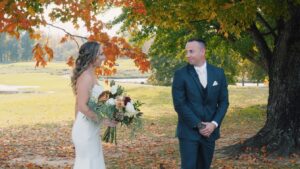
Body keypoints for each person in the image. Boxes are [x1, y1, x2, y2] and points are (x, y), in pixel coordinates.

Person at [172, 38, 229, 169]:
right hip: (188, 131)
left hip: (210, 132)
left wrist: (213, 124)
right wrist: (199, 125)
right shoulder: (180, 74)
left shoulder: (218, 73)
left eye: (191, 51)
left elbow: (224, 102)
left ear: (202, 51)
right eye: (187, 52)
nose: (188, 55)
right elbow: (179, 104)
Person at [71, 41, 115, 169]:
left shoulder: (91, 75)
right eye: (101, 54)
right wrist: (103, 119)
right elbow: (82, 106)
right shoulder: (86, 77)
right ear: (92, 56)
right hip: (85, 131)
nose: (104, 57)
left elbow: (91, 103)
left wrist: (114, 108)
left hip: (90, 129)